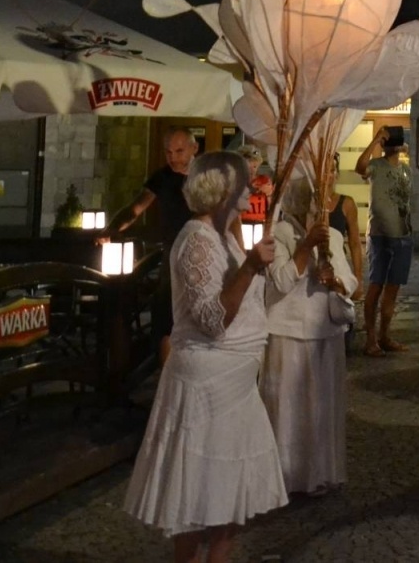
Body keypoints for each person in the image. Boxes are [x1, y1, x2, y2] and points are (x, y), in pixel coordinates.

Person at [123, 152, 285, 561]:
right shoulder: (195, 241)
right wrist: (250, 266)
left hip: (235, 385)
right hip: (207, 387)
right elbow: (213, 319)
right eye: (244, 182)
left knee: (227, 507)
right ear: (222, 189)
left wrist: (253, 263)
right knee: (197, 505)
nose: (251, 188)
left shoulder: (224, 235)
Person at [261, 174, 357, 497]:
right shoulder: (278, 233)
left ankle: (318, 471)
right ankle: (286, 473)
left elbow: (349, 281)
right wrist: (306, 246)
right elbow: (282, 280)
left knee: (320, 406)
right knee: (289, 407)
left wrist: (335, 282)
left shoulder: (332, 234)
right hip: (288, 332)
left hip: (324, 331)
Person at [106, 127, 198, 364]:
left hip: (201, 250)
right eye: (168, 152)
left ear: (194, 148)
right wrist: (113, 229)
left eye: (179, 151)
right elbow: (136, 207)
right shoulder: (163, 177)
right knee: (166, 313)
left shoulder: (206, 175)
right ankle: (166, 369)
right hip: (172, 252)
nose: (173, 157)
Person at [357, 126, 412, 357]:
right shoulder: (376, 166)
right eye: (389, 139)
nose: (393, 143)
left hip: (403, 234)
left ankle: (384, 335)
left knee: (393, 288)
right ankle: (370, 338)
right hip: (380, 235)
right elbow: (360, 167)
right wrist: (375, 140)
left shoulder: (406, 169)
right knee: (376, 285)